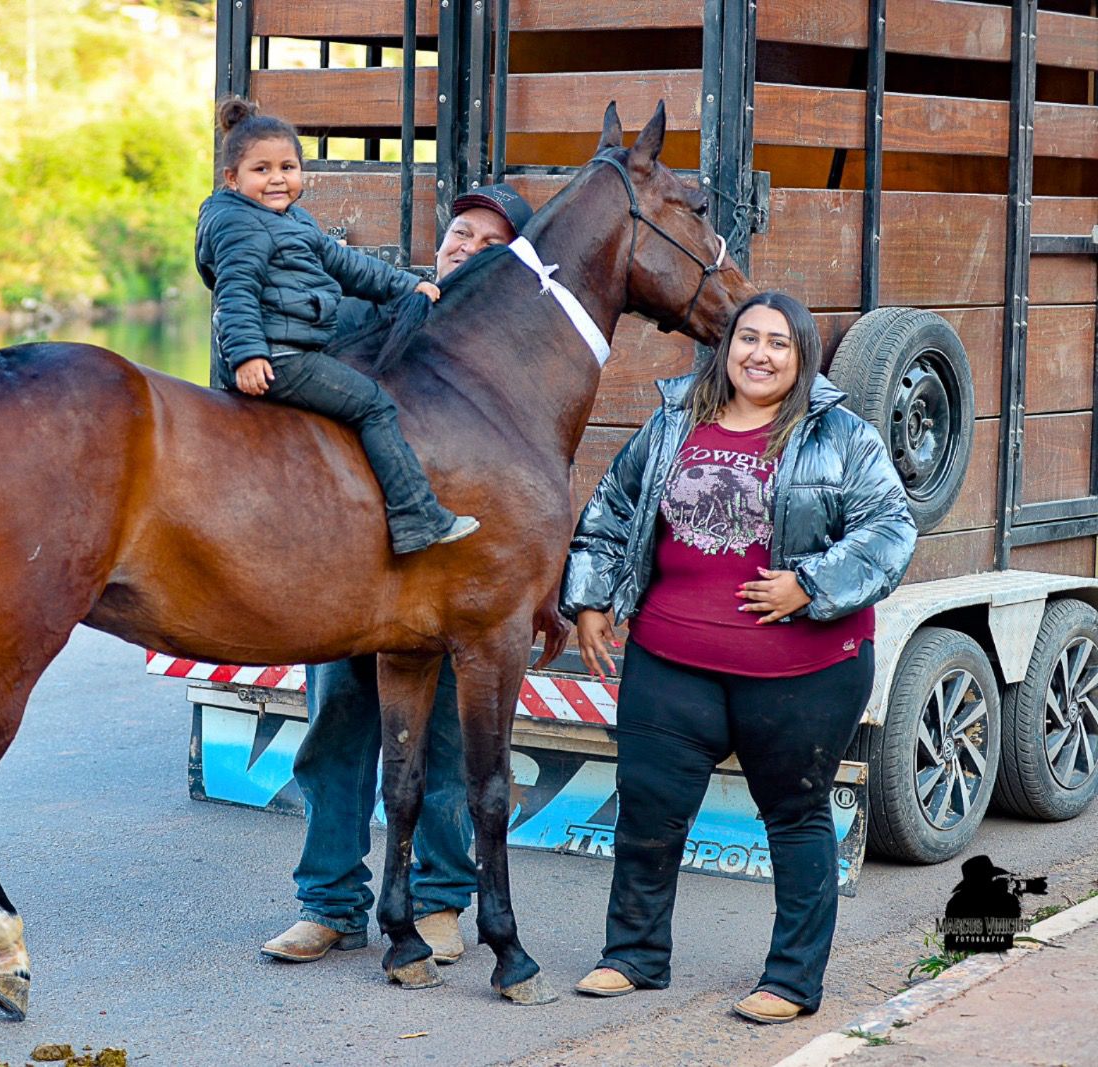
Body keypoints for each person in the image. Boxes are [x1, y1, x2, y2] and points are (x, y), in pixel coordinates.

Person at [560, 291, 916, 1023]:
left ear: (802, 356)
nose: (760, 354)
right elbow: (613, 507)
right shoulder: (674, 420)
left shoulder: (841, 435)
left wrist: (809, 583)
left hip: (804, 673)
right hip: (669, 658)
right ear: (726, 349)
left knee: (795, 816)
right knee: (648, 811)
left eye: (779, 343)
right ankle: (632, 955)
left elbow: (890, 528)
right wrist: (590, 597)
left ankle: (791, 980)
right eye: (748, 338)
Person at [260, 184, 534, 965]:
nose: (466, 248)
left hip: (451, 580)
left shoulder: (509, 362)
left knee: (446, 742)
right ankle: (329, 902)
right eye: (460, 233)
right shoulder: (374, 309)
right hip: (350, 572)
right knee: (334, 735)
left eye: (490, 243)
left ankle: (441, 899)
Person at [194, 95, 478, 555]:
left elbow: (347, 265)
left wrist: (408, 285)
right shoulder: (241, 227)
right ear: (232, 179)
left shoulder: (291, 220)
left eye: (287, 167)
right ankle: (416, 516)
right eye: (261, 170)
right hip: (280, 355)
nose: (277, 179)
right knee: (375, 406)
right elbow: (235, 292)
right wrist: (248, 355)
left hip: (295, 344)